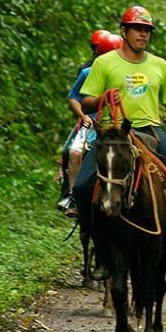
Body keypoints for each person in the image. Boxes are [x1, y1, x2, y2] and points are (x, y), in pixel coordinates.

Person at [73, 5, 166, 270]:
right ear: (124, 31)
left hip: (149, 130)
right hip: (112, 135)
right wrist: (102, 98)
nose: (143, 35)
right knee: (82, 186)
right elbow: (86, 101)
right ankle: (98, 248)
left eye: (147, 31)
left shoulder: (159, 65)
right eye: (137, 29)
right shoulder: (104, 63)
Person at [57, 30, 123, 217]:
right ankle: (73, 195)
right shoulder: (87, 72)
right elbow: (74, 98)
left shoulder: (125, 71)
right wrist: (83, 116)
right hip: (92, 122)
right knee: (74, 151)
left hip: (118, 123)